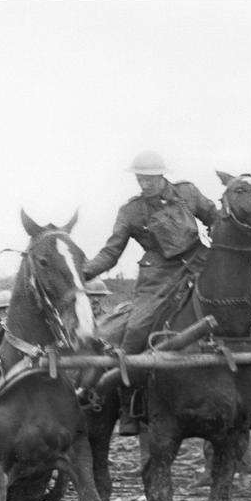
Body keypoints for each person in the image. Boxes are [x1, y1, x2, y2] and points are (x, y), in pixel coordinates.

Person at [82, 150, 218, 435]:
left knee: (237, 312)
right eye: (140, 178)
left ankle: (250, 394)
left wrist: (221, 242)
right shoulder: (131, 211)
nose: (145, 183)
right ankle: (129, 401)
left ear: (162, 175)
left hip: (200, 264)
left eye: (150, 178)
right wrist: (81, 274)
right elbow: (111, 252)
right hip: (157, 277)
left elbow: (213, 217)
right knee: (135, 331)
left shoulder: (187, 193)